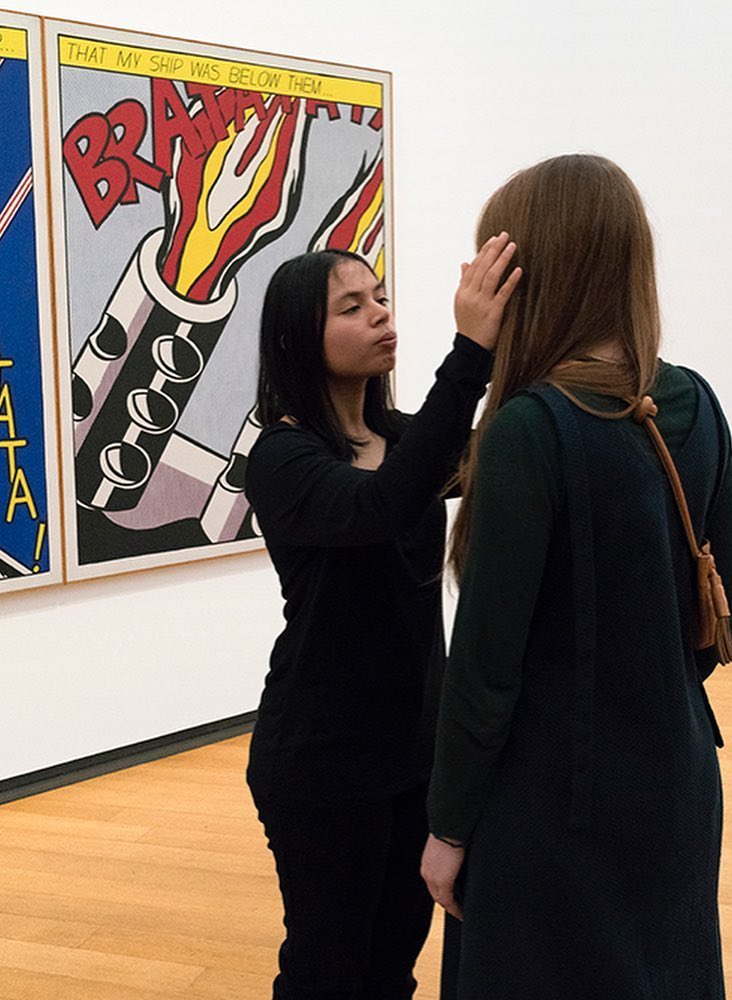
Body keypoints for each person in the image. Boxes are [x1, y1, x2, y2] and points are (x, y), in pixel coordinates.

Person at [421, 154, 732, 1000]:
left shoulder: (531, 427)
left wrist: (447, 828)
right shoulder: (697, 401)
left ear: (525, 275)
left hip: (553, 802)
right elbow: (715, 616)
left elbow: (486, 665)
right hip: (677, 777)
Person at [245, 239, 520, 1000]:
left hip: (412, 753)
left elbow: (502, 455)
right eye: (351, 306)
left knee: (393, 963)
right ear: (296, 339)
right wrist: (470, 353)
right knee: (327, 970)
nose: (379, 314)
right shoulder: (283, 458)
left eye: (380, 298)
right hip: (321, 760)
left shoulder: (399, 440)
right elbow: (383, 505)